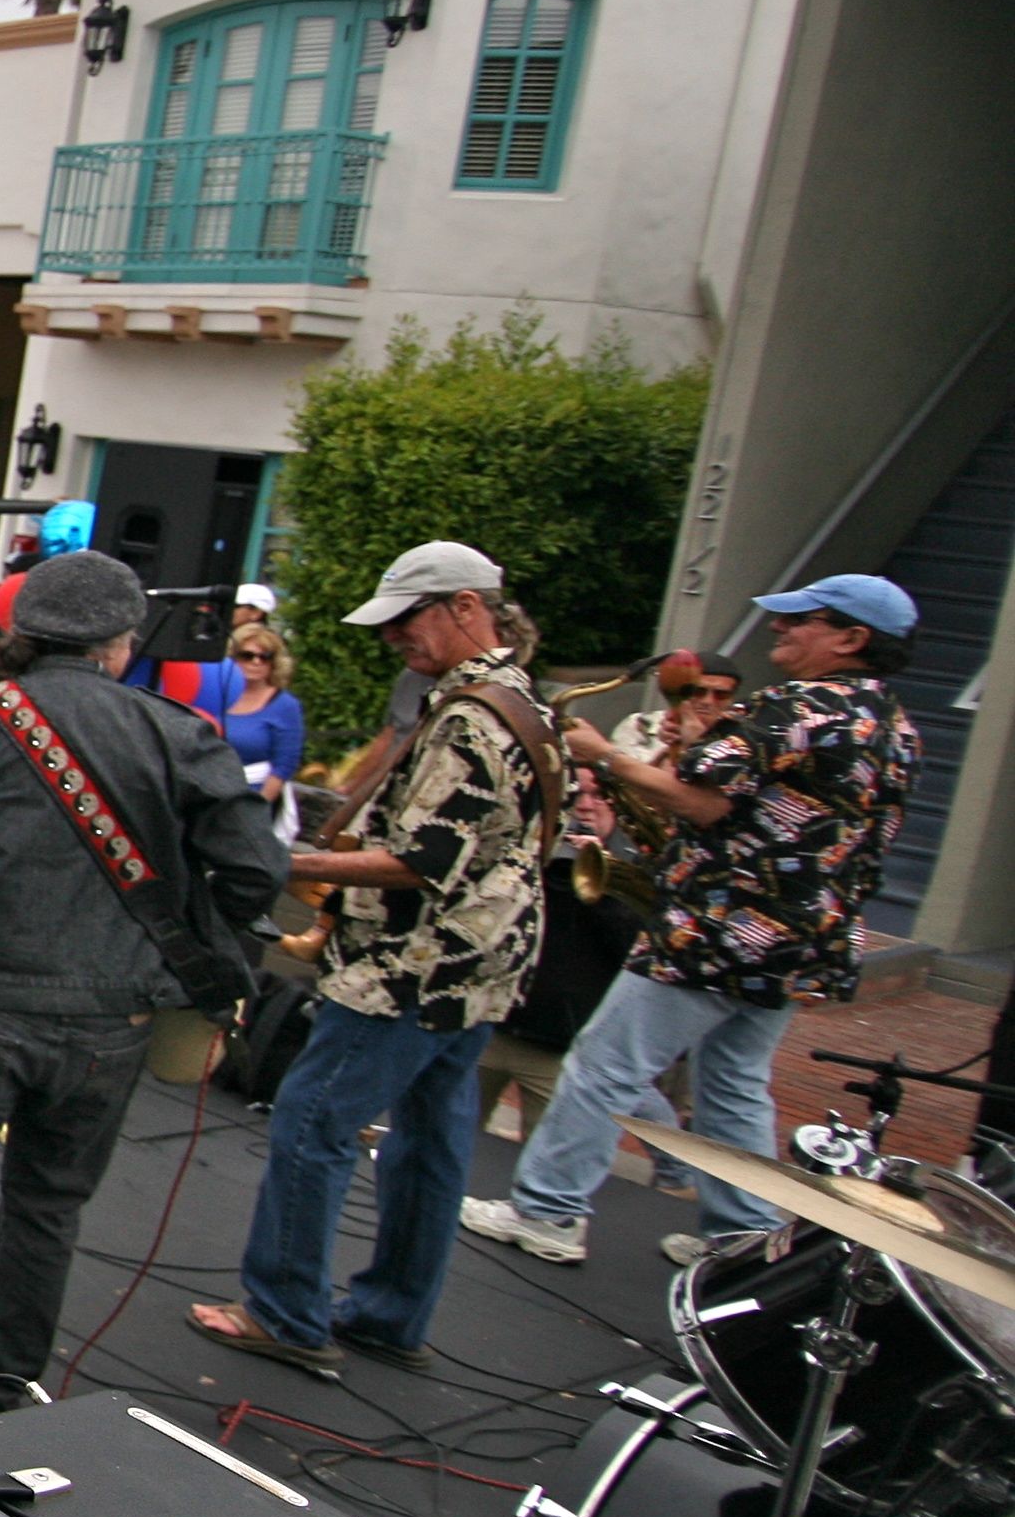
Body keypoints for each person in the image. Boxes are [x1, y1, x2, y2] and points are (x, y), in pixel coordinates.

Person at [0, 551, 285, 1424]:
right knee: (48, 1205)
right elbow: (257, 872)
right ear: (121, 641)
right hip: (111, 1012)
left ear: (21, 635)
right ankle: (0, 1397)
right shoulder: (178, 731)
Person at [464, 574, 925, 1269]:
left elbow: (702, 801)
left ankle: (548, 1210)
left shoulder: (799, 706)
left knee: (602, 1064)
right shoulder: (895, 726)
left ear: (852, 638)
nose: (781, 629)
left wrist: (606, 757)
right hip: (806, 937)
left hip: (722, 926)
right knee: (735, 1082)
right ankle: (740, 1236)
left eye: (802, 621)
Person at [190, 543, 558, 1376]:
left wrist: (283, 864)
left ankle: (285, 1310)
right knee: (430, 1135)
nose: (394, 638)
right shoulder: (520, 697)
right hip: (484, 958)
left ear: (469, 607)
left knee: (313, 1116)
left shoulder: (471, 715)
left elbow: (421, 862)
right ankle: (392, 1314)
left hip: (417, 964)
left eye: (408, 618)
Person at [216, 626, 307, 843]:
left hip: (253, 799)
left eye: (264, 657)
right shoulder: (214, 694)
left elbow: (284, 765)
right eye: (247, 656)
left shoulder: (285, 705)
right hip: (208, 793)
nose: (256, 662)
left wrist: (256, 810)